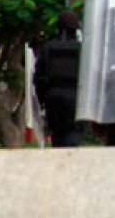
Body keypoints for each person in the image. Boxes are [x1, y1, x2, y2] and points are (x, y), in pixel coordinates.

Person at [33, 10, 82, 147]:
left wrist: (43, 100)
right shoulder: (82, 50)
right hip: (75, 99)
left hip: (53, 100)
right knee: (73, 136)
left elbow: (38, 78)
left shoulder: (48, 48)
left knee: (58, 137)